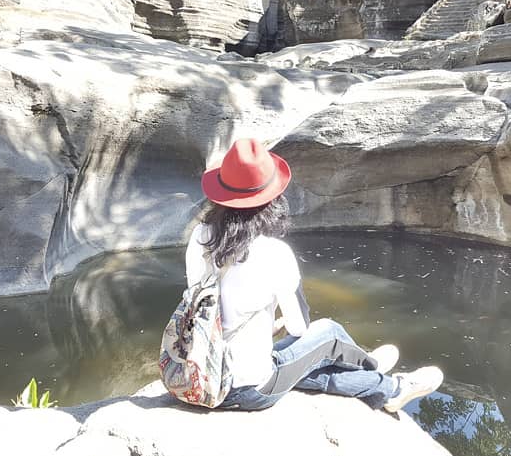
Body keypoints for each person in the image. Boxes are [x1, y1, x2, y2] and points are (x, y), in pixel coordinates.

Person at [187, 137, 444, 412]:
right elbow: (299, 327)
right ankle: (374, 369)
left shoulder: (199, 237)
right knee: (329, 333)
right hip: (246, 388)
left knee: (307, 369)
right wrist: (276, 320)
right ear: (270, 200)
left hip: (199, 376)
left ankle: (386, 385)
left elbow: (205, 301)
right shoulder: (275, 252)